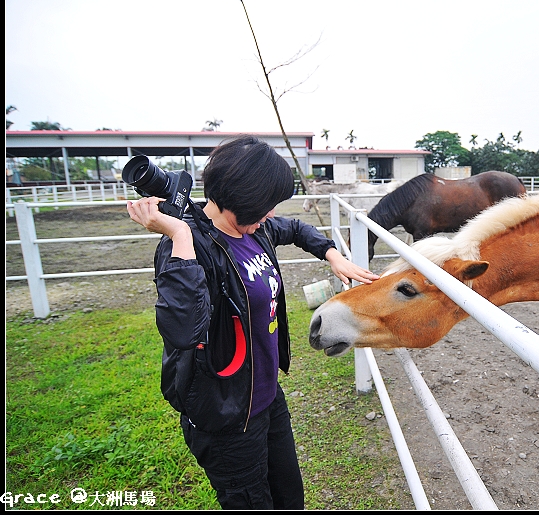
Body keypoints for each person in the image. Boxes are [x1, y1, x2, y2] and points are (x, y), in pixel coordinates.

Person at [126, 135, 378, 509]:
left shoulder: (256, 231)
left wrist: (330, 253)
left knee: (290, 497)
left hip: (265, 394)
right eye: (266, 206)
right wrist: (178, 234)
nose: (270, 215)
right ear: (240, 200)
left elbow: (293, 228)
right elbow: (182, 329)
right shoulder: (187, 245)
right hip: (225, 413)